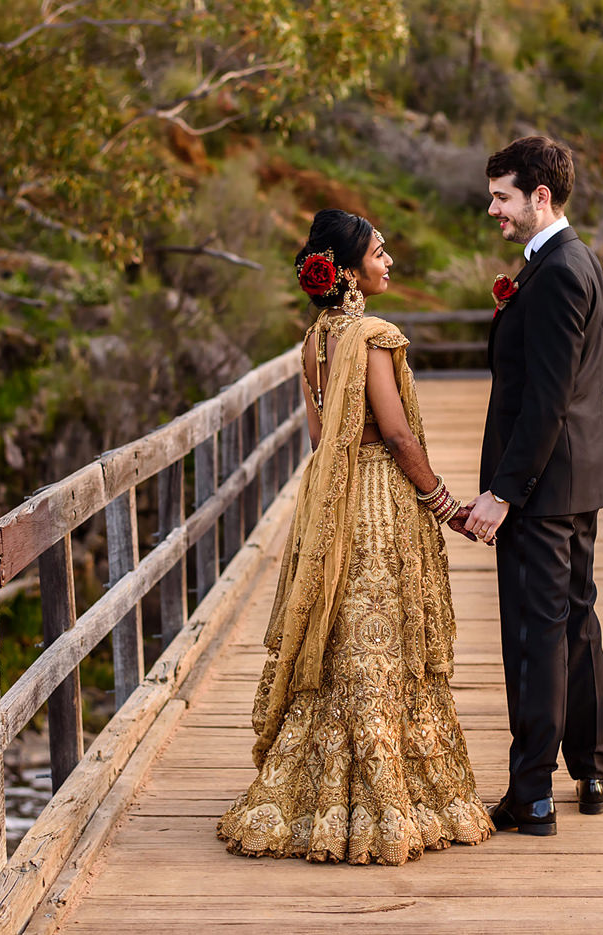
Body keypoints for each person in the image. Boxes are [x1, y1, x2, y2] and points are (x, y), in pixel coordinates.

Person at [218, 209, 494, 865]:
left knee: (343, 638)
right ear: (346, 270)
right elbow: (397, 435)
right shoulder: (373, 337)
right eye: (378, 252)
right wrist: (446, 505)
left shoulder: (313, 341)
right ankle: (386, 800)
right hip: (375, 504)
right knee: (383, 645)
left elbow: (319, 440)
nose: (389, 260)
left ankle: (319, 798)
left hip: (328, 501)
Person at [463, 136, 603, 836]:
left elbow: (548, 398)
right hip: (575, 480)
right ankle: (590, 768)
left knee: (536, 633)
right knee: (575, 623)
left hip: (544, 488)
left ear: (539, 197)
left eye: (502, 196)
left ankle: (533, 794)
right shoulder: (575, 260)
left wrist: (503, 491)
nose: (492, 207)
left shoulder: (554, 272)